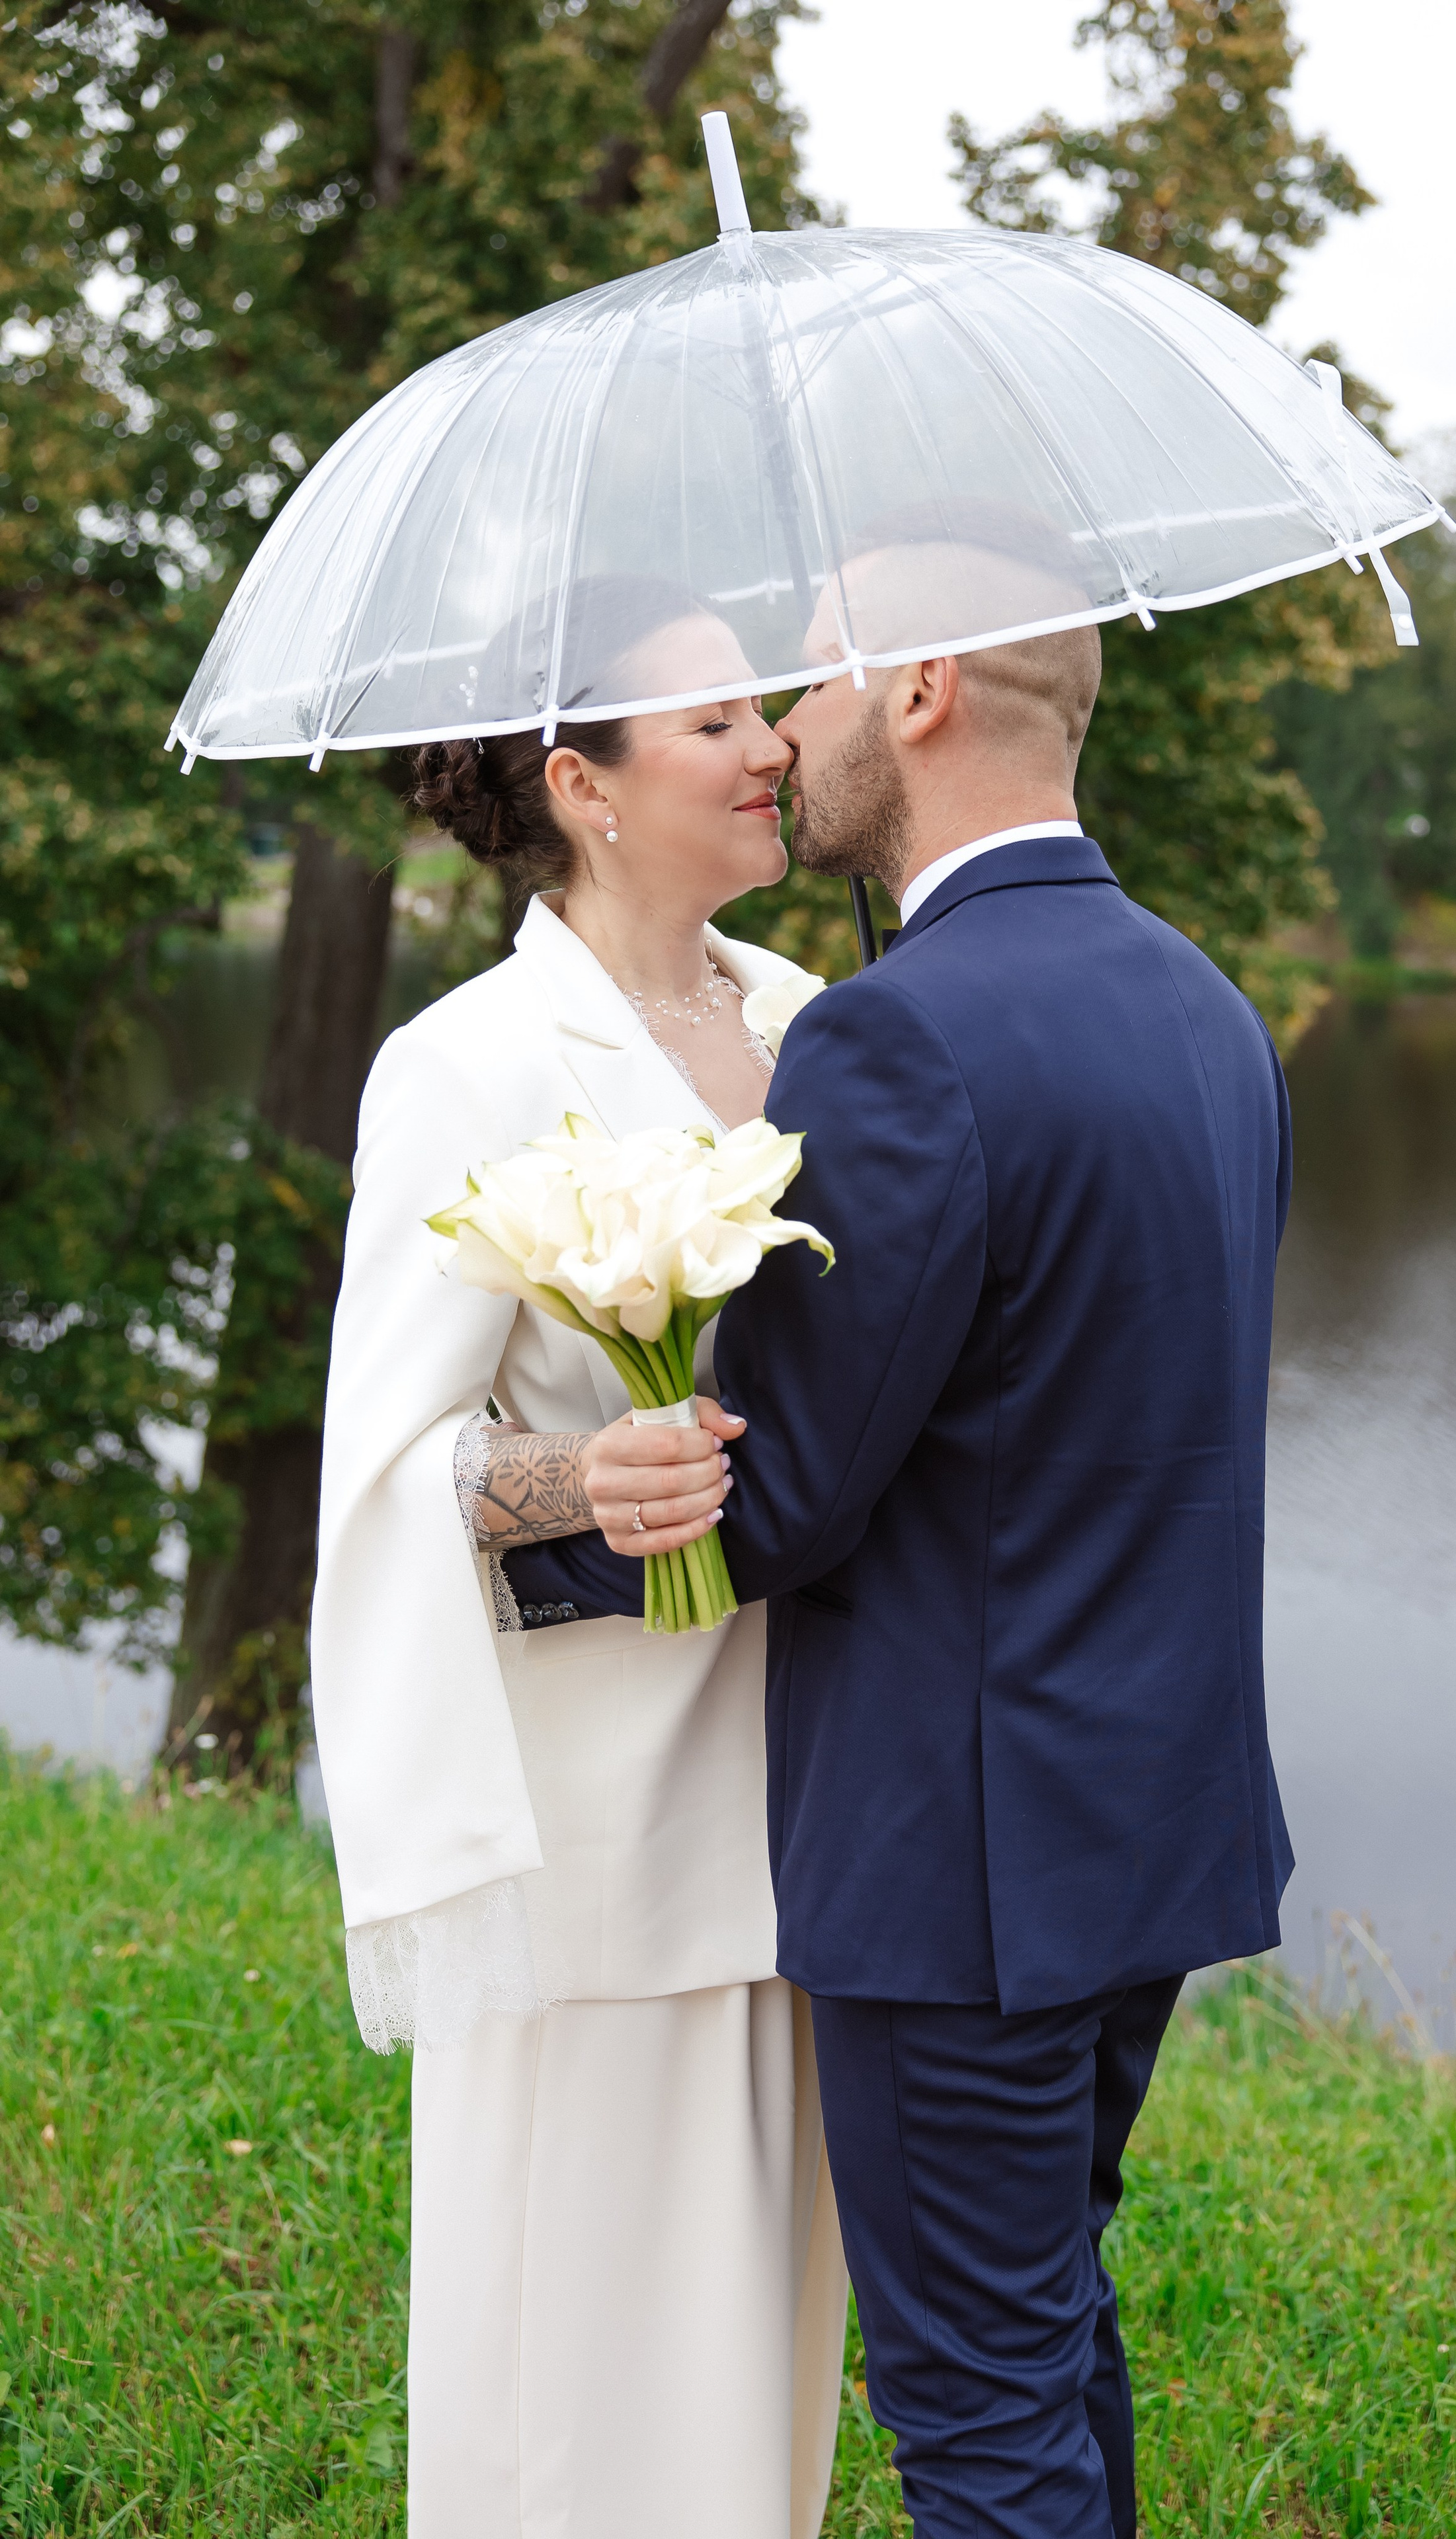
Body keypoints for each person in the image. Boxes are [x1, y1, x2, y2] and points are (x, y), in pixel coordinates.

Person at [526, 528, 1295, 2538]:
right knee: (1044, 2324)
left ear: (925, 694)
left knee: (971, 2408)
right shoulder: (1207, 1009)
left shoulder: (897, 1039)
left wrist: (531, 1528)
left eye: (811, 683)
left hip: (967, 1863)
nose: (787, 735)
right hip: (1152, 1813)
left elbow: (775, 1496)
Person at [308, 583, 847, 2539]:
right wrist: (578, 1475)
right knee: (569, 2337)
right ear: (584, 786)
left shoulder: (819, 1021)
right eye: (714, 721)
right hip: (592, 1814)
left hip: (804, 1777)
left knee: (762, 2315)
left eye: (768, 707)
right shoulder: (461, 1063)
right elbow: (393, 1465)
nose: (776, 741)